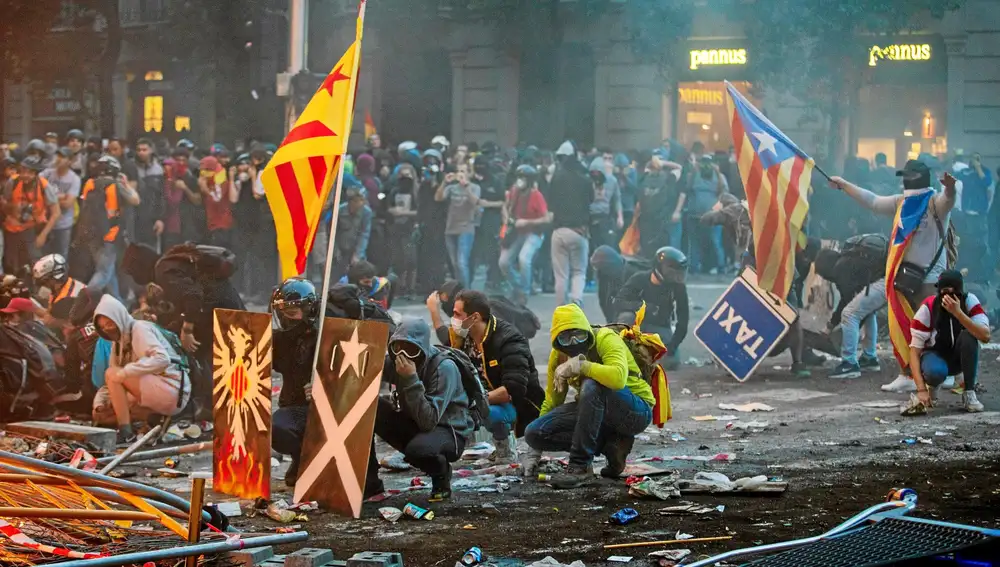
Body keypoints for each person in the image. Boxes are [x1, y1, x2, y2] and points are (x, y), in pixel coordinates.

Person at [829, 161, 957, 393]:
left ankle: (943, 371)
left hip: (930, 280)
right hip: (904, 278)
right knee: (905, 327)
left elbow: (949, 200)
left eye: (908, 176)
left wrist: (950, 188)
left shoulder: (934, 202)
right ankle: (907, 373)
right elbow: (873, 201)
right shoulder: (902, 202)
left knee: (933, 330)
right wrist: (845, 185)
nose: (903, 180)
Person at [523, 304, 654, 488]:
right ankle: (611, 446)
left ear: (588, 332)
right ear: (557, 342)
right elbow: (553, 401)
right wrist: (534, 452)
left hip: (635, 411)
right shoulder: (559, 356)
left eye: (579, 334)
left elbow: (617, 379)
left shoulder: (606, 338)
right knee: (534, 432)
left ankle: (580, 466)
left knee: (592, 385)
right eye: (566, 338)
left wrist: (583, 367)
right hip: (595, 412)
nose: (575, 342)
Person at [367, 317, 474, 500]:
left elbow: (428, 421)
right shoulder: (395, 361)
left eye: (410, 349)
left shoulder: (443, 368)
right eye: (397, 348)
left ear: (422, 349)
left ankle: (441, 473)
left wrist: (410, 380)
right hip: (416, 421)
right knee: (371, 406)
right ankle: (370, 484)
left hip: (448, 429)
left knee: (419, 450)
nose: (402, 355)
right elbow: (364, 370)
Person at [448, 290, 544, 463]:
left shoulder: (509, 339)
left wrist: (472, 402)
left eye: (457, 314)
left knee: (489, 413)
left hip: (514, 404)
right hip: (478, 398)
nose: (452, 318)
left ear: (474, 317)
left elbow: (512, 390)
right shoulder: (462, 337)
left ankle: (505, 448)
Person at [91, 294, 190, 443]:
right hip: (152, 388)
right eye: (103, 327)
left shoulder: (139, 328)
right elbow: (111, 381)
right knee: (100, 414)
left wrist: (126, 372)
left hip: (172, 388)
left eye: (110, 324)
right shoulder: (117, 343)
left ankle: (126, 432)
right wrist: (100, 404)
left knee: (114, 375)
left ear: (119, 318)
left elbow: (162, 359)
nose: (107, 329)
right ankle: (152, 419)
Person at [904, 270, 989, 415]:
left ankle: (969, 393)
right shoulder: (928, 307)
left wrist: (958, 314)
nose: (948, 298)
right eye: (943, 293)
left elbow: (985, 336)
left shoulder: (969, 301)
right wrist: (921, 389)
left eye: (952, 293)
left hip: (959, 357)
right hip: (935, 356)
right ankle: (933, 385)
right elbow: (914, 351)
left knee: (969, 336)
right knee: (935, 372)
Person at [614, 247, 689, 369]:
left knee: (671, 363)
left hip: (660, 328)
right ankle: (620, 352)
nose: (676, 277)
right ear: (659, 268)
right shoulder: (639, 279)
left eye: (679, 273)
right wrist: (642, 307)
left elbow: (683, 320)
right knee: (626, 317)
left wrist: (672, 347)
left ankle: (642, 355)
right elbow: (618, 301)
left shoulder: (678, 287)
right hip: (637, 325)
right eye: (672, 272)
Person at [547, 144, 593, 307]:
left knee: (561, 275)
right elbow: (591, 201)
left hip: (559, 231)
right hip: (579, 232)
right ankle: (576, 303)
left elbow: (550, 203)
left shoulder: (556, 178)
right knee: (579, 272)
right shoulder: (585, 180)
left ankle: (561, 307)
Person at [499, 165, 551, 305]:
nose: (519, 181)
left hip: (534, 233)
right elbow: (505, 205)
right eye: (518, 177)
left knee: (524, 259)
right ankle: (517, 288)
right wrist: (506, 217)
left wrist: (526, 222)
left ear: (529, 181)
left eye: (523, 178)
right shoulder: (514, 191)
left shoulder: (536, 195)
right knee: (503, 262)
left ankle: (524, 293)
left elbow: (546, 218)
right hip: (516, 233)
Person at [77, 156, 128, 298]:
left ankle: (119, 305)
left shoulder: (89, 183)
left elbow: (83, 207)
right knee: (104, 273)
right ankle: (81, 300)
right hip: (109, 236)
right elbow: (116, 211)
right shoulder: (113, 185)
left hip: (90, 233)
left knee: (108, 273)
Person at [2, 156, 60, 276]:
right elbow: (3, 202)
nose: (25, 175)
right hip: (12, 230)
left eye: (29, 172)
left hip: (33, 230)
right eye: (22, 171)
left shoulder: (44, 186)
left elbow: (56, 213)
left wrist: (43, 235)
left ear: (36, 174)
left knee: (36, 264)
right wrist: (12, 208)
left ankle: (34, 291)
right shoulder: (12, 182)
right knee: (12, 265)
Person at [436, 163, 481, 288]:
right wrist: (444, 182)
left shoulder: (475, 187)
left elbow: (474, 202)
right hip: (450, 228)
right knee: (454, 263)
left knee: (462, 262)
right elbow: (438, 198)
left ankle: (466, 291)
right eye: (458, 171)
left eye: (463, 171)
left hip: (466, 228)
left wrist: (466, 187)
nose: (461, 173)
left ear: (469, 173)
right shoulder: (451, 188)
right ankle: (459, 289)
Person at [635, 149, 685, 256]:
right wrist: (662, 163)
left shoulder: (666, 178)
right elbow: (679, 167)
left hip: (657, 221)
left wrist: (657, 163)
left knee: (654, 249)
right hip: (655, 221)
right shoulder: (667, 178)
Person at [686, 154, 729, 274]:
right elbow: (686, 190)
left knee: (715, 241)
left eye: (708, 162)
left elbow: (725, 196)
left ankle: (721, 266)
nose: (706, 165)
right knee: (695, 243)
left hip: (713, 215)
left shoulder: (720, 177)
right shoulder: (693, 175)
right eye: (703, 162)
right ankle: (694, 267)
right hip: (695, 214)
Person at [39, 148, 81, 258]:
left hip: (63, 224)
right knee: (43, 256)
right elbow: (37, 191)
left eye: (62, 157)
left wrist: (49, 198)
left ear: (70, 161)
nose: (58, 159)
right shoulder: (47, 173)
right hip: (45, 221)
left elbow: (68, 203)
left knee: (61, 257)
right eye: (57, 155)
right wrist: (61, 196)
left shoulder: (74, 179)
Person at [331, 185, 373, 283]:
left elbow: (364, 234)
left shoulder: (366, 212)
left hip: (356, 250)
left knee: (358, 276)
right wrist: (335, 251)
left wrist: (357, 254)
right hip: (341, 249)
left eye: (362, 200)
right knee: (337, 279)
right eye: (357, 200)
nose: (360, 203)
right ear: (350, 201)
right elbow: (333, 233)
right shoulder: (340, 210)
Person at [32, 254, 85, 325]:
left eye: (46, 281)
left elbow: (76, 326)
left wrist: (56, 322)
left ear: (57, 276)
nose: (44, 285)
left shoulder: (73, 296)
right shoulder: (60, 290)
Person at [132, 139, 165, 250]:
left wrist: (160, 219)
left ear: (151, 150)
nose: (141, 152)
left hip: (152, 218)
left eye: (144, 150)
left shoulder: (158, 170)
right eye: (139, 150)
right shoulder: (131, 167)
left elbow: (161, 196)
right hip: (134, 217)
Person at [198, 156, 237, 249]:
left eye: (205, 171)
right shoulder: (210, 181)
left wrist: (205, 188)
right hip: (212, 223)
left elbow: (217, 199)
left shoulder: (220, 180)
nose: (203, 174)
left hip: (221, 224)